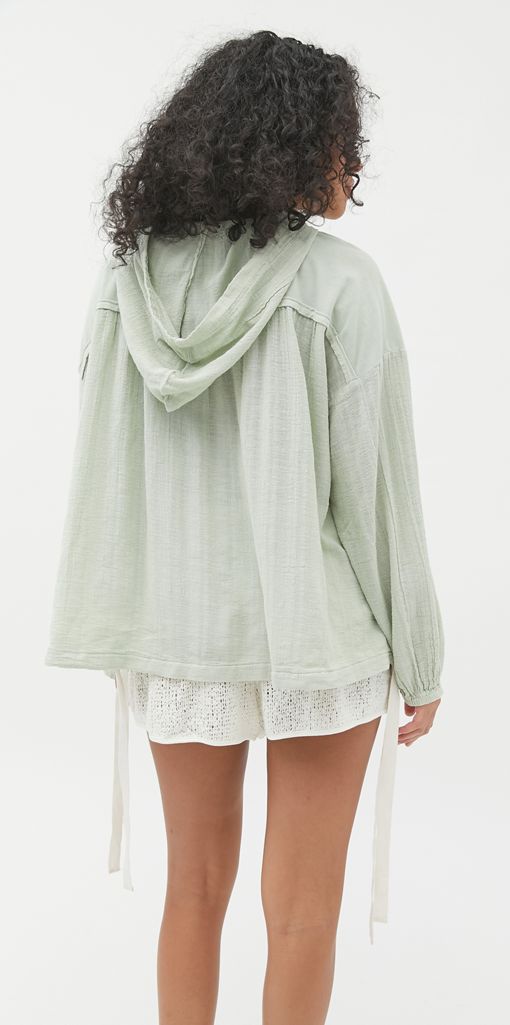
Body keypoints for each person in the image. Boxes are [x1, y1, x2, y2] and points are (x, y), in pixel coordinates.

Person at [44, 28, 445, 1025]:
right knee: (302, 913)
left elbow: (109, 466)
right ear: (292, 143)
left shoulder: (125, 283)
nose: (351, 163)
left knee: (190, 888)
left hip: (178, 634)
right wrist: (421, 655)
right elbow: (379, 493)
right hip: (317, 635)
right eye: (340, 139)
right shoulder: (338, 285)